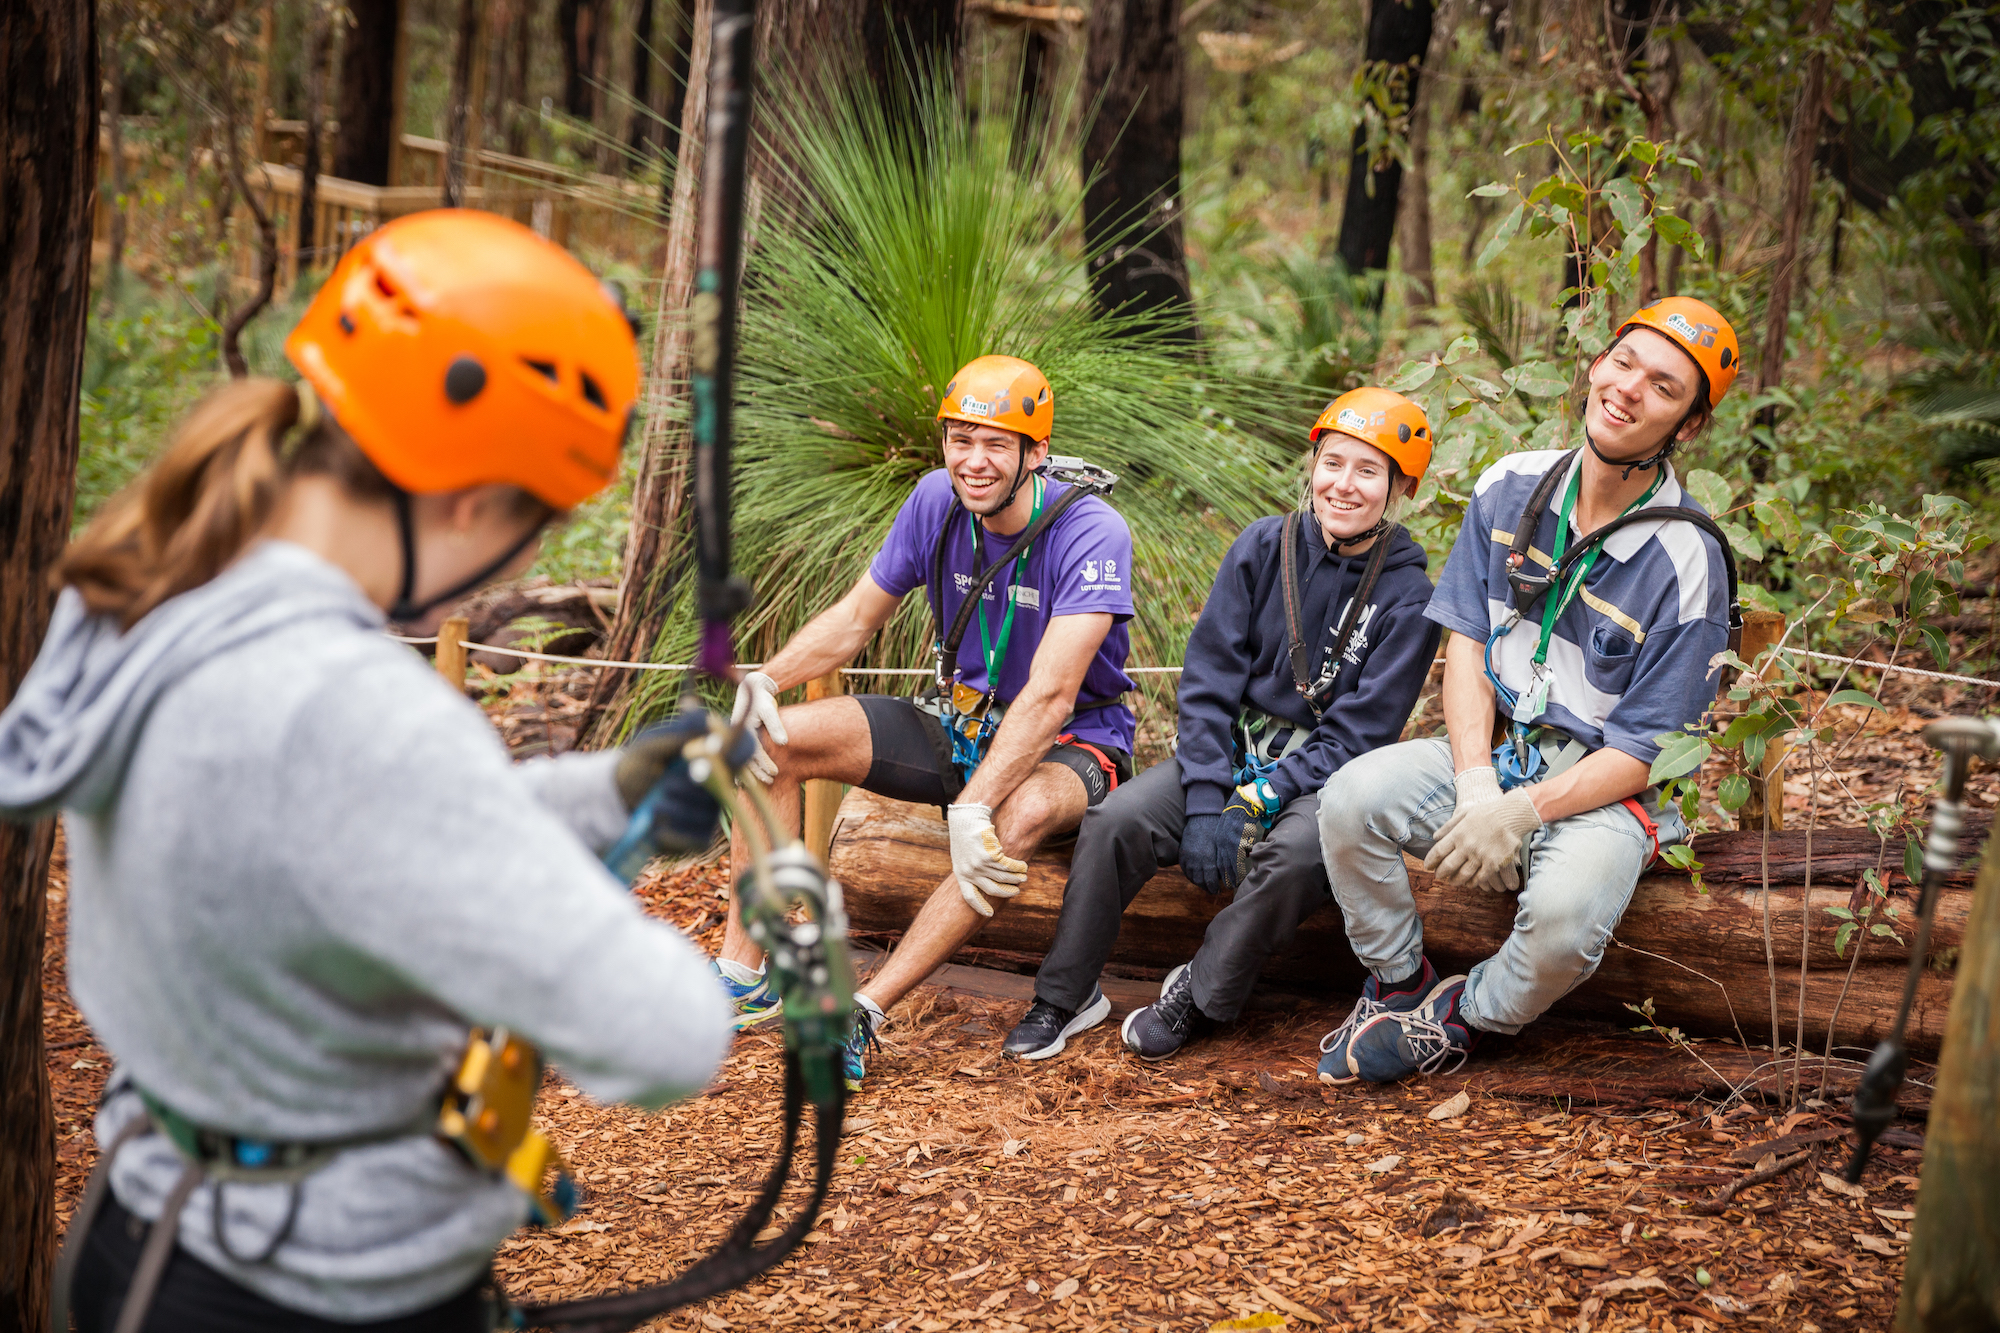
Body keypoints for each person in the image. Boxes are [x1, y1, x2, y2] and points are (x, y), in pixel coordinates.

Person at [0, 211, 733, 1330]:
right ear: (473, 501)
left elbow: (343, 838)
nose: (526, 560)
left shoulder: (166, 588)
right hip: (309, 1292)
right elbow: (664, 1034)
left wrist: (604, 797)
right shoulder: (351, 713)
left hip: (151, 1230)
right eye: (541, 526)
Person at [1314, 297, 1741, 1084]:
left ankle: (1464, 1015)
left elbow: (1646, 750)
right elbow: (1470, 640)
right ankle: (1397, 981)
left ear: (1687, 426)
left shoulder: (1689, 559)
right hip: (1500, 750)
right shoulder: (1510, 487)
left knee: (1563, 924)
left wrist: (1522, 813)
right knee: (1348, 799)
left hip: (1606, 790)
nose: (1628, 389)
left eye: (1664, 385)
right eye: (1623, 361)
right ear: (1595, 364)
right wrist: (1478, 782)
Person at [718, 355, 1136, 1089]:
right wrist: (765, 680)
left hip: (1075, 743)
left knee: (1025, 806)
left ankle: (863, 1010)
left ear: (1035, 452)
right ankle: (743, 975)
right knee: (769, 740)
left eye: (996, 444)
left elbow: (1052, 695)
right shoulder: (933, 501)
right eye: (960, 440)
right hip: (964, 722)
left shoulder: (1092, 530)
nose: (974, 462)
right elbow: (853, 618)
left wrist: (974, 805)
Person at [1002, 388, 1443, 1062]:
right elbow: (1208, 678)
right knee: (1117, 819)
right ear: (1312, 464)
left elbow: (1361, 733)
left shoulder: (1409, 595)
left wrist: (1262, 798)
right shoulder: (1264, 548)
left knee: (1295, 857)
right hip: (1230, 753)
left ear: (1399, 486)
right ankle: (1063, 994)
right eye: (1332, 463)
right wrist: (1209, 795)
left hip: (1324, 777)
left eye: (1367, 471)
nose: (1343, 485)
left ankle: (1201, 994)